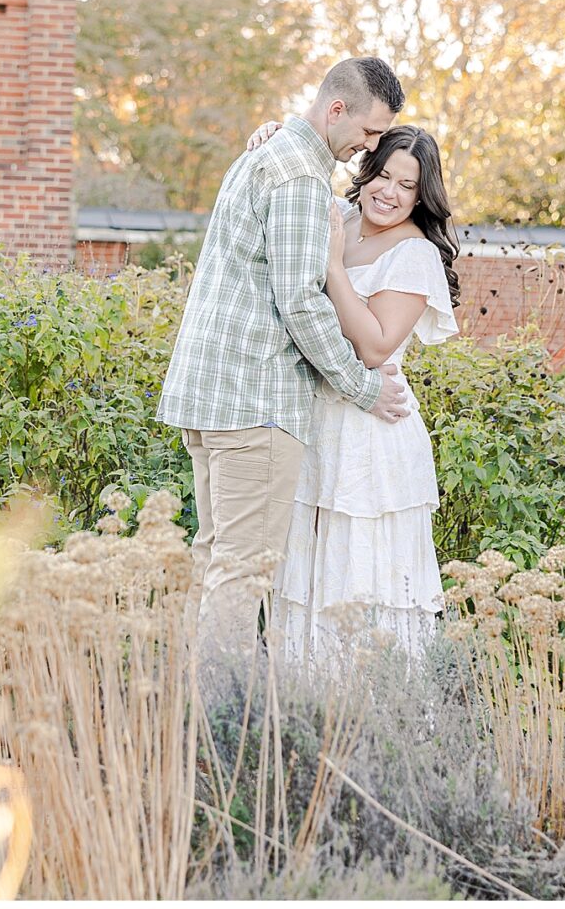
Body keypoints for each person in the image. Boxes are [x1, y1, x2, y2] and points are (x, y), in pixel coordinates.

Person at [157, 58, 414, 663]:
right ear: (336, 110)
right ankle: (218, 706)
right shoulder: (300, 177)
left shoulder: (264, 156)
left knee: (216, 559)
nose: (369, 147)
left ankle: (186, 701)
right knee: (242, 571)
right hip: (257, 405)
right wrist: (363, 388)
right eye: (369, 131)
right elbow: (300, 301)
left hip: (212, 397)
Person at [241, 121, 460, 672]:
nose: (389, 193)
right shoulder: (336, 215)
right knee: (306, 573)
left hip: (372, 430)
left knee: (360, 574)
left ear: (422, 196)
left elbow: (374, 346)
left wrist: (334, 268)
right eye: (384, 176)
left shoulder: (414, 254)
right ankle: (300, 701)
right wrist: (276, 135)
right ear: (367, 171)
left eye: (407, 185)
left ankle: (370, 706)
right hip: (312, 418)